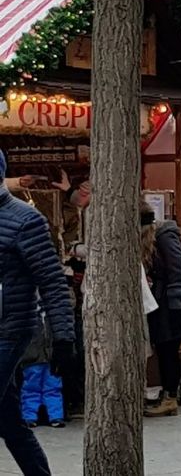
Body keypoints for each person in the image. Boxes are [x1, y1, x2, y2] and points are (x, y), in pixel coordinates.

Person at [0, 150, 75, 473]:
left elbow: (52, 280)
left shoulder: (25, 220)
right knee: (8, 418)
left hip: (9, 330)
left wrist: (63, 337)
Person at [141, 201, 181, 417]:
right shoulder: (157, 237)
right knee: (166, 351)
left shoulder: (165, 237)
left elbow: (177, 269)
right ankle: (169, 395)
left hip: (172, 305)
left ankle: (170, 398)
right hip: (163, 303)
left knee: (169, 352)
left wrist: (176, 303)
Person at [20, 314, 65, 428]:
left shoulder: (52, 314)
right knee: (30, 387)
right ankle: (29, 416)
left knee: (54, 386)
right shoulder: (27, 314)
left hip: (51, 358)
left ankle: (56, 416)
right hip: (31, 358)